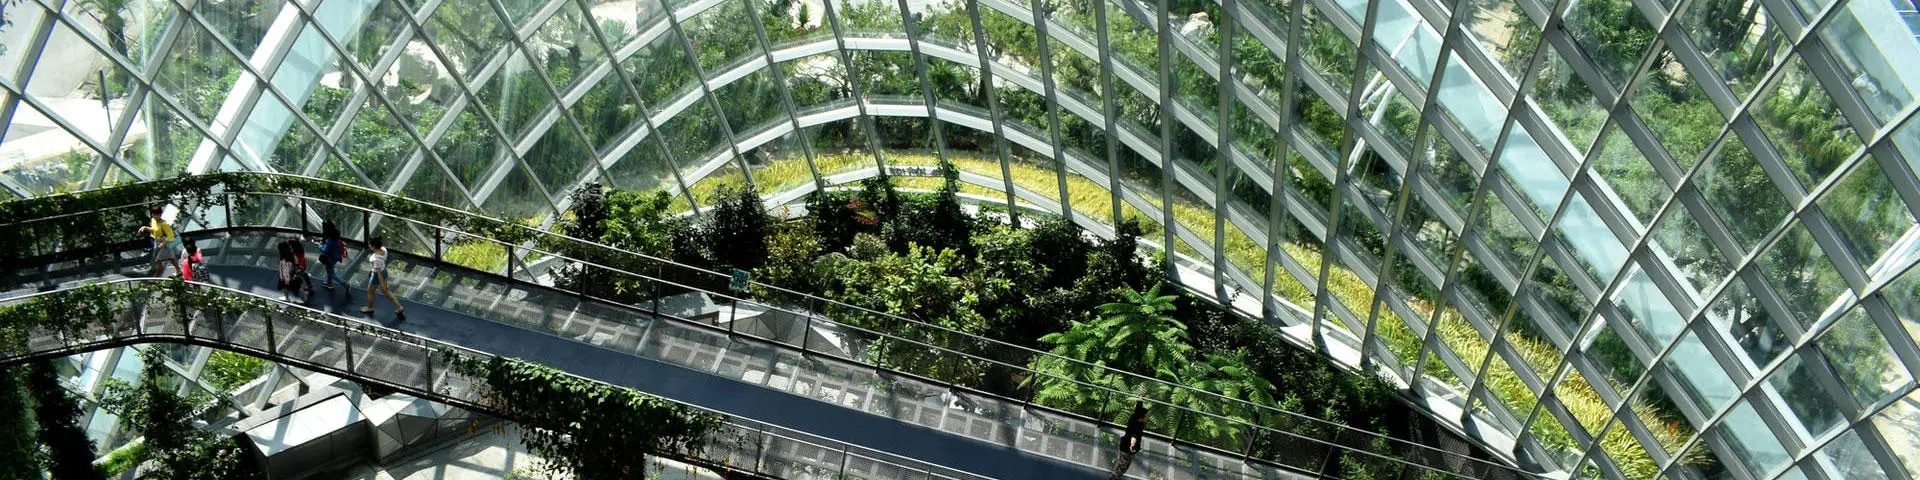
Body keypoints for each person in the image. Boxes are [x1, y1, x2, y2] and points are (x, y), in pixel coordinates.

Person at [362, 236, 403, 316]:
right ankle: (399, 307)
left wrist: (381, 284)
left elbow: (378, 273)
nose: (369, 246)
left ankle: (369, 308)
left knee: (370, 291)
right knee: (386, 290)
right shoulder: (384, 249)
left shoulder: (376, 259)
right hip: (384, 271)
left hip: (377, 275)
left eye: (370, 244)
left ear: (373, 246)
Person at [136, 206, 181, 277]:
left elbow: (171, 235)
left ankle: (157, 275)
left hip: (164, 243)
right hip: (157, 242)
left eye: (156, 215)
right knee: (171, 257)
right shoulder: (153, 220)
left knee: (158, 260)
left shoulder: (164, 224)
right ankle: (178, 270)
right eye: (153, 215)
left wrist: (163, 243)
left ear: (160, 215)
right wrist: (145, 227)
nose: (154, 216)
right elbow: (154, 230)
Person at [1109, 399, 1149, 480]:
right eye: (1145, 416)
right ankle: (1114, 478)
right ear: (1141, 417)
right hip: (1127, 448)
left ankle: (1114, 476)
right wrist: (1132, 445)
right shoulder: (1136, 425)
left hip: (1124, 444)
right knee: (1123, 466)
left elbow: (1138, 408)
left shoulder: (1134, 416)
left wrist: (1141, 399)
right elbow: (1134, 436)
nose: (1147, 417)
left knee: (1120, 463)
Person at [315, 220, 349, 291]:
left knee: (332, 274)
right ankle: (329, 283)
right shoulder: (335, 235)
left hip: (330, 259)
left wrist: (320, 245)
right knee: (329, 270)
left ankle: (345, 285)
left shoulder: (329, 241)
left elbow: (324, 250)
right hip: (335, 256)